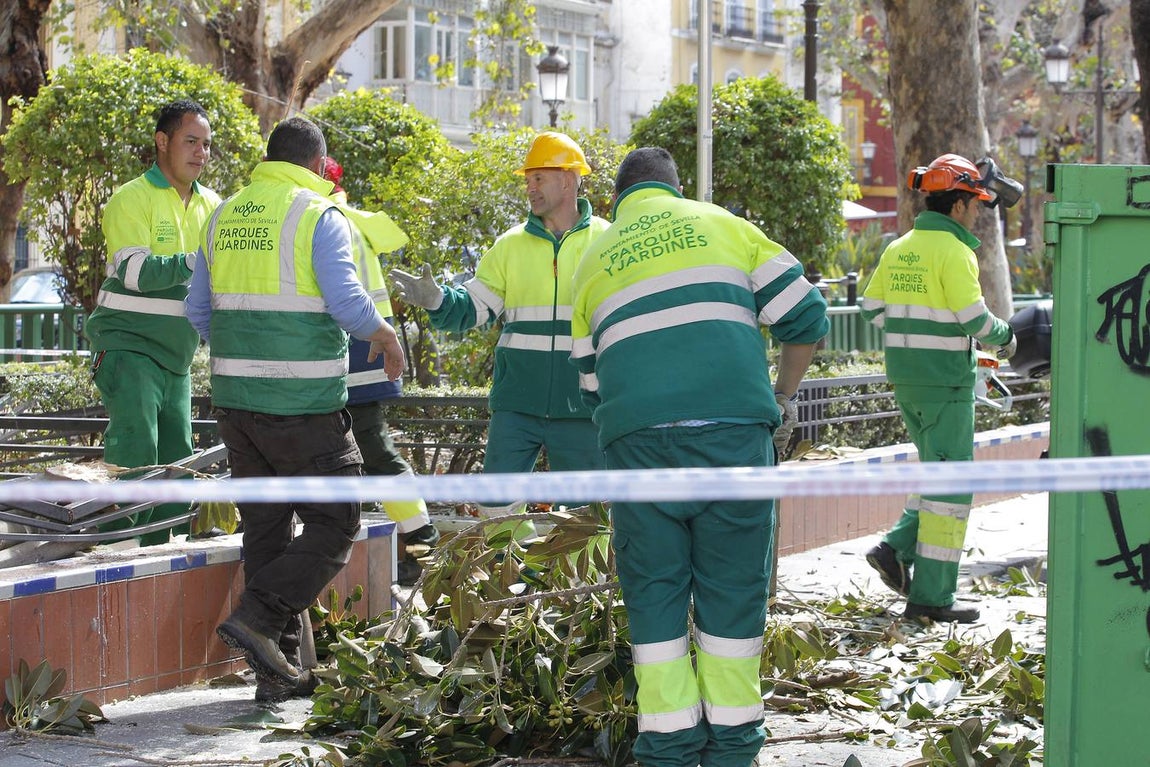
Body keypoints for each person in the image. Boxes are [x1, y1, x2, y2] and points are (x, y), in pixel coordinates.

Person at [569, 147, 829, 767]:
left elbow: (591, 385)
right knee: (732, 597)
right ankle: (734, 748)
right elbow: (808, 318)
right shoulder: (724, 225)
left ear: (616, 202)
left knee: (655, 599)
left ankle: (669, 746)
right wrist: (782, 397)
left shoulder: (591, 261)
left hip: (639, 450)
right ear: (676, 191)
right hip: (733, 439)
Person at [185, 116, 406, 699]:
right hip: (302, 401)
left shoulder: (223, 214)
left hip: (234, 402)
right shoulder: (317, 214)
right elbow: (348, 303)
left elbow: (198, 311)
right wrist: (384, 336)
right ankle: (257, 618)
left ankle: (276, 673)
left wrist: (244, 353)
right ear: (315, 164)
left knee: (266, 528)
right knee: (337, 521)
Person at [389, 132, 611, 535]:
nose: (529, 187)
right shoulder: (510, 245)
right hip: (517, 405)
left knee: (585, 518)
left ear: (568, 179)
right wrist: (438, 300)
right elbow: (473, 308)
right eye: (528, 179)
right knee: (494, 503)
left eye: (538, 178)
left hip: (583, 406)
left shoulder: (606, 242)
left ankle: (574, 596)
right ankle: (513, 587)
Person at [860, 152, 1018, 624]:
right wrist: (1005, 336)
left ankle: (894, 551)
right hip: (946, 383)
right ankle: (930, 596)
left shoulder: (899, 246)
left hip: (907, 380)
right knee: (952, 490)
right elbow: (973, 319)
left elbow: (871, 308)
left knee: (938, 474)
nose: (975, 212)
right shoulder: (955, 252)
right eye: (973, 203)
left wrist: (916, 337)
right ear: (956, 205)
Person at [86, 99, 221, 546]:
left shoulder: (214, 206)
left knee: (177, 460)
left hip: (177, 359)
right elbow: (136, 274)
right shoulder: (131, 198)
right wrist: (194, 261)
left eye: (205, 144)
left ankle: (165, 551)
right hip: (128, 346)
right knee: (136, 449)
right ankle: (115, 552)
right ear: (162, 142)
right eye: (190, 141)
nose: (201, 153)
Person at [323, 157, 439, 586]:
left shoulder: (330, 221)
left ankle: (422, 540)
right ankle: (416, 540)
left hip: (356, 355)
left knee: (374, 453)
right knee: (361, 454)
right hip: (365, 353)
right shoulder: (348, 219)